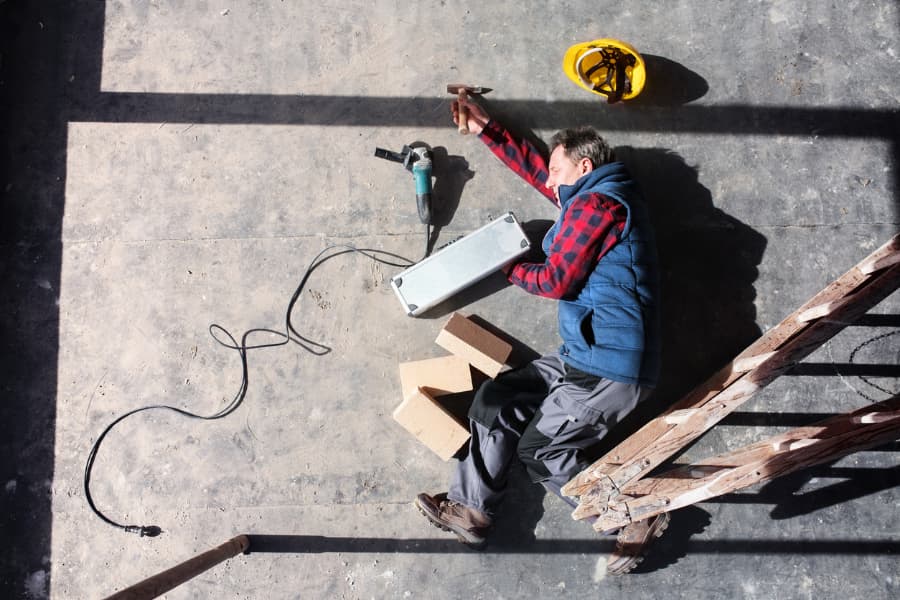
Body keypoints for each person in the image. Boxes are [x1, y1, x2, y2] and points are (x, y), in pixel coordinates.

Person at [414, 94, 668, 573]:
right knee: (499, 397)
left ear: (584, 165)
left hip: (610, 366)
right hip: (584, 353)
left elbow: (555, 281)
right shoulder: (590, 197)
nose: (549, 182)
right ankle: (471, 509)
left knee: (543, 451)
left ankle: (629, 516)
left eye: (557, 172)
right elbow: (537, 169)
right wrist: (489, 128)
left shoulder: (599, 205)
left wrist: (508, 264)